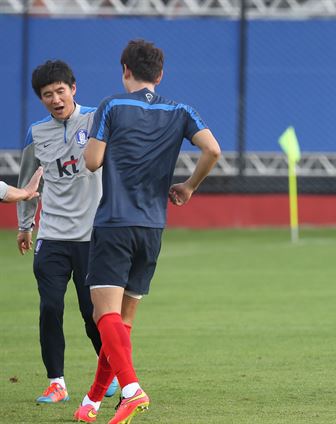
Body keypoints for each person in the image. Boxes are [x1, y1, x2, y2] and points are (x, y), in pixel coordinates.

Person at [73, 39, 221, 424]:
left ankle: (132, 390)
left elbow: (91, 162)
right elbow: (213, 150)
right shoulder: (181, 109)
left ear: (125, 69)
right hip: (153, 227)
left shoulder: (112, 105)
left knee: (101, 313)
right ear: (160, 74)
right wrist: (188, 186)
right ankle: (91, 401)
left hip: (114, 223)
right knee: (120, 324)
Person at [16, 60, 117, 404]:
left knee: (93, 313)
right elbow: (27, 181)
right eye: (48, 94)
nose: (56, 99)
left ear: (73, 89)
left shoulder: (96, 120)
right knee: (50, 307)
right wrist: (24, 224)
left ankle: (111, 375)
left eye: (61, 90)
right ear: (41, 99)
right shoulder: (36, 132)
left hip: (93, 236)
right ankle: (56, 382)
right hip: (52, 235)